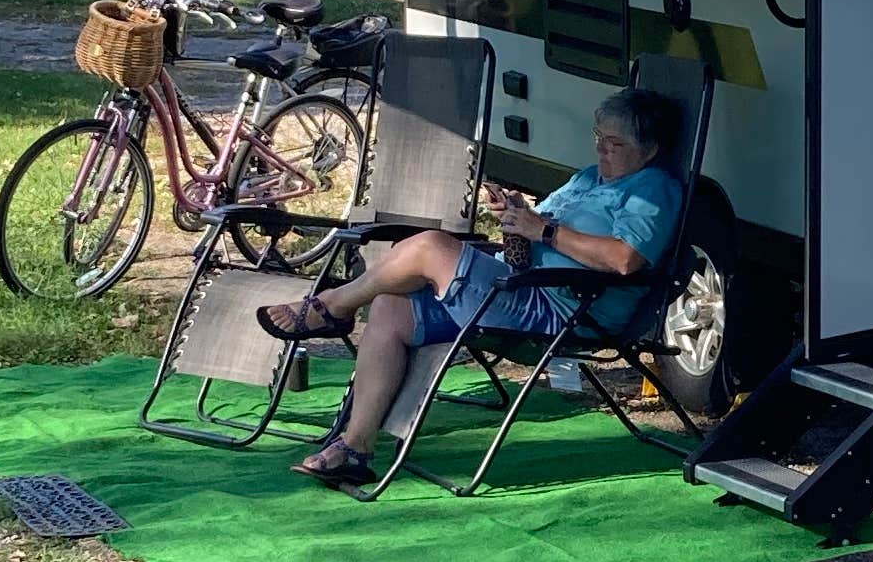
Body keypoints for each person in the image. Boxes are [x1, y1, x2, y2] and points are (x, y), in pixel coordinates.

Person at [257, 82, 687, 492]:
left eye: (615, 144)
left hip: (564, 307)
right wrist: (516, 214)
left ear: (649, 150)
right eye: (599, 136)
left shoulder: (655, 189)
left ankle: (332, 306)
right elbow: (538, 226)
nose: (601, 149)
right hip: (514, 286)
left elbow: (625, 259)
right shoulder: (589, 178)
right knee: (390, 304)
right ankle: (355, 447)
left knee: (428, 246)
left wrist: (546, 233)